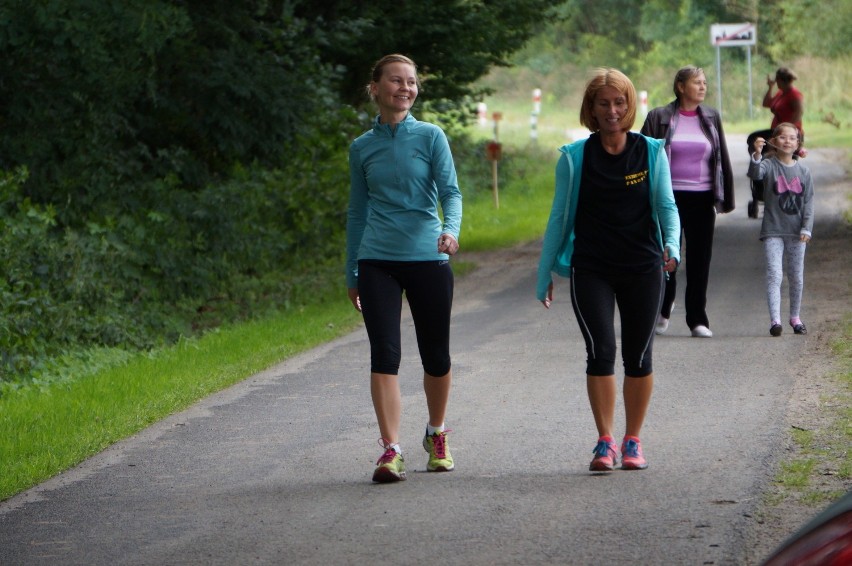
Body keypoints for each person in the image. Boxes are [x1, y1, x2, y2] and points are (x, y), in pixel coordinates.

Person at [536, 68, 680, 472]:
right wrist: (544, 272)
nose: (613, 110)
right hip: (592, 268)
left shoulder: (651, 151)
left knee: (638, 355)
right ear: (592, 110)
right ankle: (605, 441)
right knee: (601, 352)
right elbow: (558, 217)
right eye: (604, 104)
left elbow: (667, 206)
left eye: (620, 102)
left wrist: (672, 245)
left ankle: (633, 440)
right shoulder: (574, 157)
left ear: (630, 105)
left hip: (644, 266)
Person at [346, 54, 463, 483]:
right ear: (375, 88)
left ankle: (436, 433)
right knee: (385, 355)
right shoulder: (361, 147)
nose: (405, 88)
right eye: (396, 81)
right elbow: (357, 214)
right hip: (377, 260)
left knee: (437, 355)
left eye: (411, 82)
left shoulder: (431, 137)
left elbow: (451, 193)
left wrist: (451, 231)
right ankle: (390, 449)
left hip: (428, 258)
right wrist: (351, 272)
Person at [640, 65, 735, 338]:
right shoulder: (659, 116)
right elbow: (643, 156)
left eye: (705, 82)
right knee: (667, 255)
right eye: (697, 82)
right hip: (667, 197)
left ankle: (697, 319)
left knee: (699, 259)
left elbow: (722, 157)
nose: (703, 87)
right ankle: (662, 309)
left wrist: (724, 194)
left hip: (702, 197)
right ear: (681, 86)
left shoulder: (711, 117)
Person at [748, 123, 814, 337]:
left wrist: (807, 228)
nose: (787, 141)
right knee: (774, 275)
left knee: (796, 276)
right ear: (774, 142)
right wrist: (757, 154)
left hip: (797, 233)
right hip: (773, 231)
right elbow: (755, 174)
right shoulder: (768, 165)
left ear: (798, 144)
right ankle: (775, 320)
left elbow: (809, 203)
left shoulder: (804, 172)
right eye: (783, 138)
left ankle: (795, 317)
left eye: (792, 138)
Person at [761, 67, 806, 157]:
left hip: (788, 134)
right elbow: (766, 103)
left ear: (781, 80)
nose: (776, 82)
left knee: (780, 160)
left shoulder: (794, 95)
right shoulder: (781, 93)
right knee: (755, 141)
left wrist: (786, 130)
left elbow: (799, 113)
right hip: (777, 131)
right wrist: (770, 87)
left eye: (776, 80)